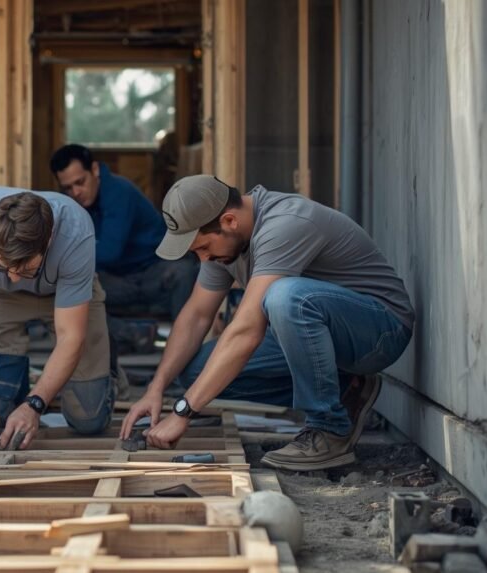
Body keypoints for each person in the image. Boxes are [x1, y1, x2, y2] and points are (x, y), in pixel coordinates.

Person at [120, 175, 415, 471]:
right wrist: (156, 388)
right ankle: (345, 387)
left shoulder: (285, 224)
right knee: (193, 373)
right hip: (327, 334)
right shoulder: (225, 246)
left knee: (285, 297)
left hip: (380, 330)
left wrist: (183, 412)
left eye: (203, 247)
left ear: (230, 221)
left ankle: (328, 430)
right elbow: (196, 315)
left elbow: (247, 330)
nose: (203, 258)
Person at [0, 188, 114, 449]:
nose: (13, 276)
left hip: (66, 295)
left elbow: (70, 336)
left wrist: (35, 404)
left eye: (25, 268)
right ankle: (13, 385)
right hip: (2, 298)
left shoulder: (75, 232)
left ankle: (107, 372)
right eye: (3, 264)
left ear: (49, 241)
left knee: (89, 419)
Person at [51, 144, 198, 352]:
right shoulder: (69, 204)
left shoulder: (119, 191)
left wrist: (70, 255)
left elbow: (110, 252)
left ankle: (185, 351)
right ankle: (133, 335)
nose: (75, 192)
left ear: (94, 170)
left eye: (80, 182)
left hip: (154, 272)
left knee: (184, 271)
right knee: (68, 287)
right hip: (119, 280)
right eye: (68, 187)